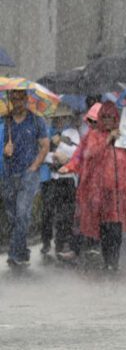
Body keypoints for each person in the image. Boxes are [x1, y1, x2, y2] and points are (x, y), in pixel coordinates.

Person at [60, 102, 126, 271]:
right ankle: (108, 258)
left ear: (116, 118)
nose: (108, 120)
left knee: (115, 227)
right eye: (105, 117)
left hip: (119, 192)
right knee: (105, 227)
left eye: (111, 117)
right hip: (100, 192)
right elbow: (88, 154)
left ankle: (112, 262)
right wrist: (108, 139)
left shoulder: (125, 136)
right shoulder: (94, 135)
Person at [3, 89, 50, 268]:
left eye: (20, 98)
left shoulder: (36, 120)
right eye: (13, 98)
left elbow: (45, 146)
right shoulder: (4, 121)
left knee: (22, 212)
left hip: (29, 174)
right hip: (8, 175)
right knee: (14, 216)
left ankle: (14, 254)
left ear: (26, 99)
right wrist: (4, 150)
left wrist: (34, 167)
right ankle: (22, 252)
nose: (17, 102)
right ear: (10, 99)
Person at [40, 110, 80, 257]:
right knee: (48, 212)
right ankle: (46, 240)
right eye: (56, 118)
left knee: (66, 214)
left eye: (62, 117)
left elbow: (77, 153)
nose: (59, 121)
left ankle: (62, 243)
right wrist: (53, 153)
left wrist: (62, 144)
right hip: (52, 178)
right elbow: (42, 155)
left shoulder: (73, 133)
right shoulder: (47, 132)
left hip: (68, 178)